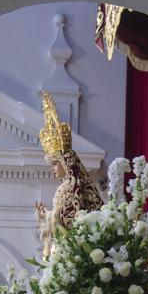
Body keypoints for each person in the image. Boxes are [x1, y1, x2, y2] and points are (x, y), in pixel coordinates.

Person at [36, 91, 102, 257]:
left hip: (75, 249)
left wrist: (53, 215)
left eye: (54, 163)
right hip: (63, 246)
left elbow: (72, 216)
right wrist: (45, 217)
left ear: (65, 163)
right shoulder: (63, 187)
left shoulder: (75, 185)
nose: (52, 168)